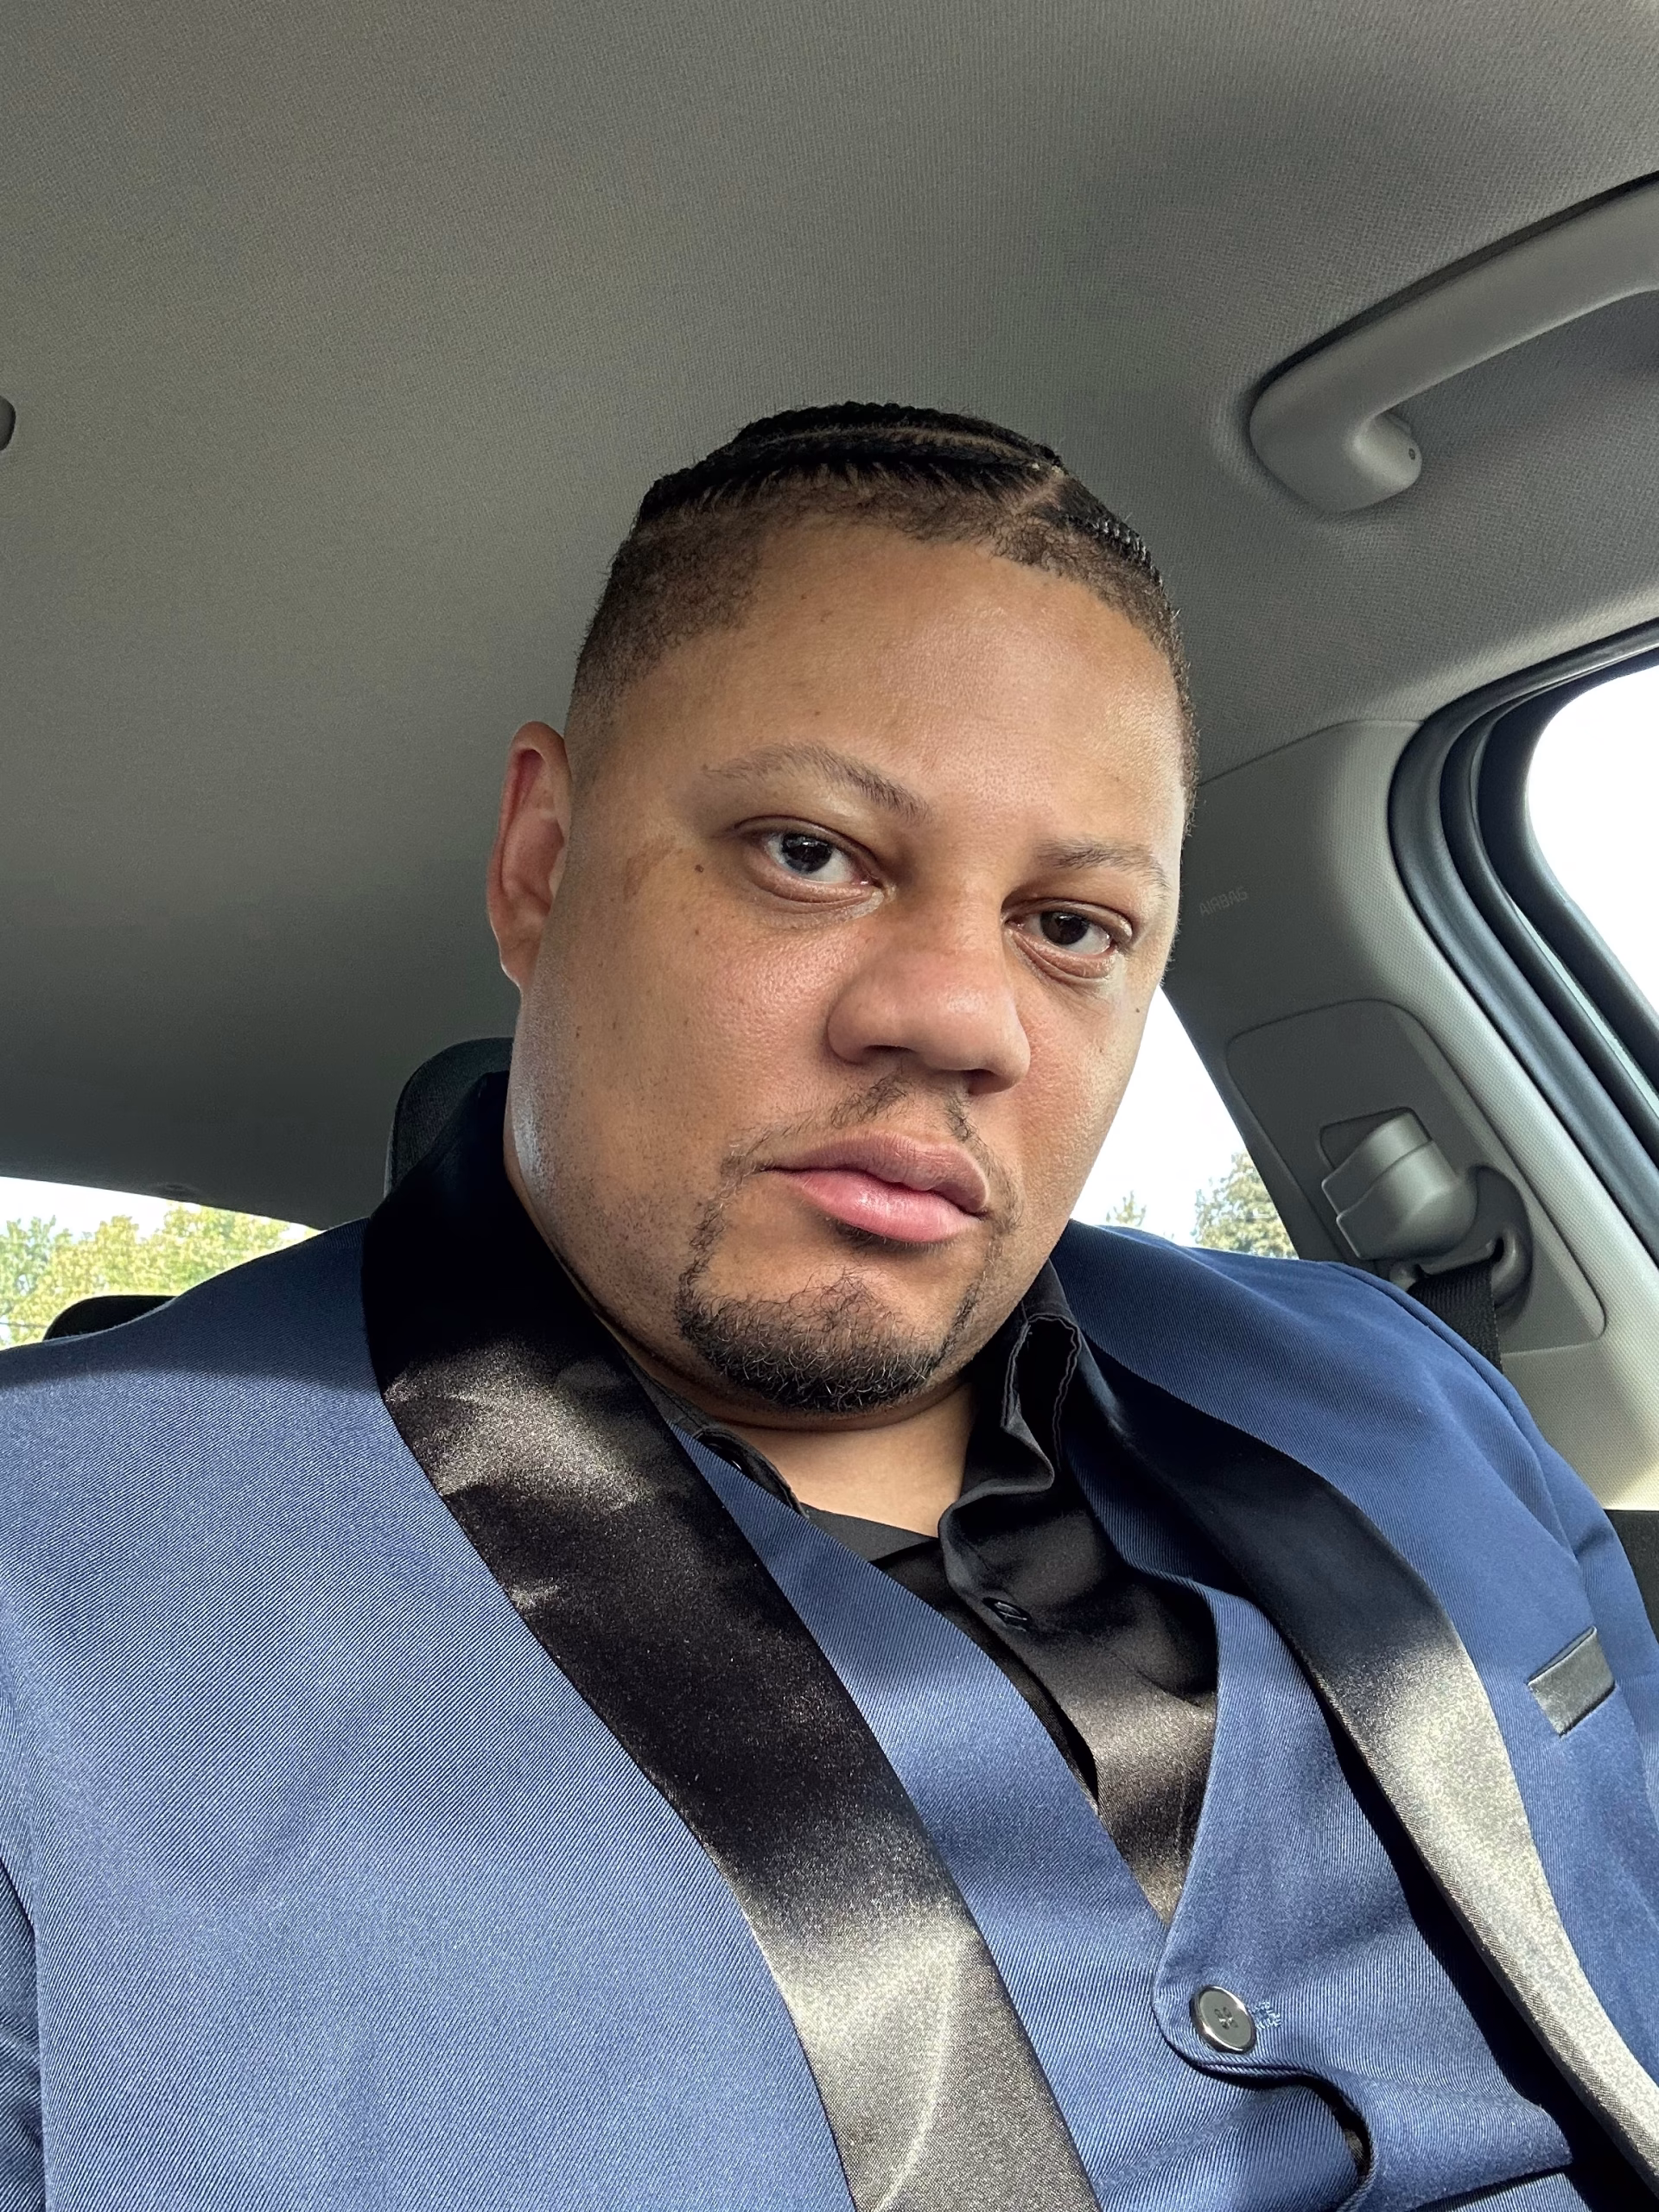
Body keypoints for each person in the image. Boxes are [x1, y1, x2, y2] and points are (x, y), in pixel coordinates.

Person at [1, 404, 1656, 2212]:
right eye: (809, 851)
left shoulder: (1399, 1382)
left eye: (1073, 925)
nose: (958, 1015)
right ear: (541, 863)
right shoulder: (46, 1596)